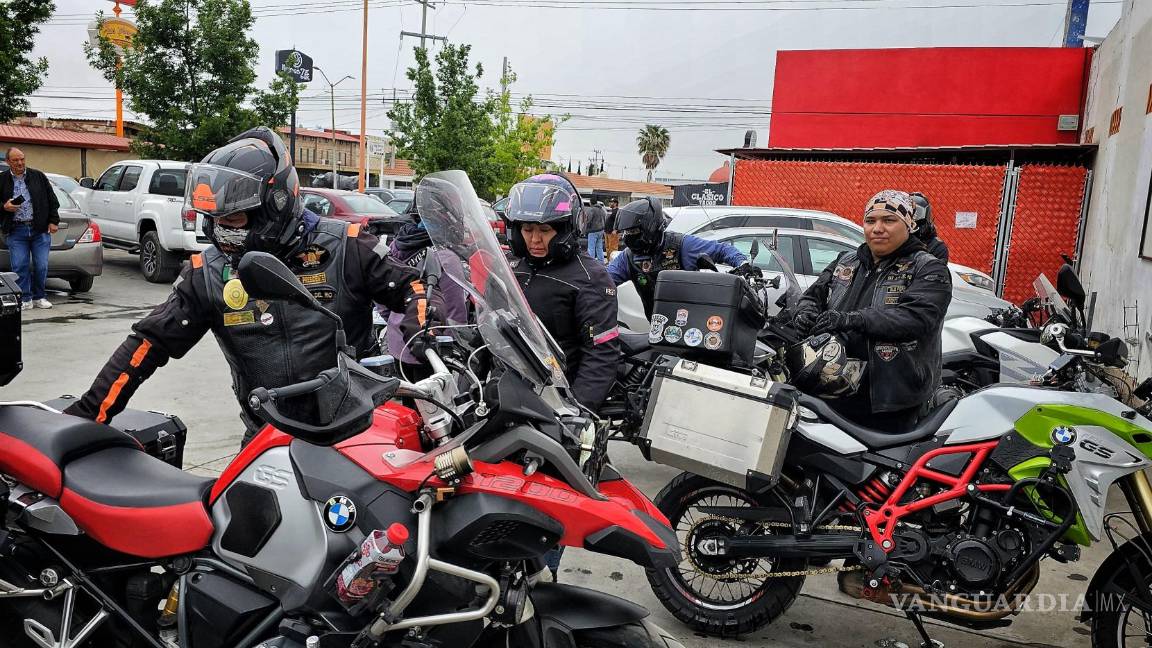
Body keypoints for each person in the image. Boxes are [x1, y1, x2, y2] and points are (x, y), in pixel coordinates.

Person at [63, 127, 434, 445]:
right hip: (268, 436)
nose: (224, 229)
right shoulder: (207, 272)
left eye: (236, 217)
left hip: (359, 430)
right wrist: (87, 415)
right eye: (216, 218)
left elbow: (409, 286)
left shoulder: (346, 244)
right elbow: (149, 343)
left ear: (275, 203)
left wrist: (420, 330)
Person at [791, 189, 952, 432]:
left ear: (909, 225)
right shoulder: (846, 261)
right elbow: (812, 296)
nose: (878, 228)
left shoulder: (928, 268)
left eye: (889, 220)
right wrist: (804, 314)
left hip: (889, 399)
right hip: (832, 385)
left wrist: (852, 319)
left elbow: (915, 319)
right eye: (870, 220)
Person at [506, 174, 619, 413]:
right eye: (527, 229)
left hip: (557, 401)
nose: (534, 239)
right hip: (508, 390)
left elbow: (601, 355)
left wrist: (577, 412)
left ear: (567, 227)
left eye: (545, 230)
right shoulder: (512, 266)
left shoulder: (591, 277)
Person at [607, 196, 757, 319]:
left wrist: (742, 263)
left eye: (633, 231)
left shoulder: (681, 245)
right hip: (657, 327)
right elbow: (605, 279)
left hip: (693, 324)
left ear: (650, 227)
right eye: (626, 232)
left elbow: (721, 250)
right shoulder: (628, 257)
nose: (628, 236)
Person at [382, 217, 469, 381]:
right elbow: (455, 312)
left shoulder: (397, 244)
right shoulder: (446, 258)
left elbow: (382, 295)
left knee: (410, 402)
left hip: (398, 342)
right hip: (432, 348)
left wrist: (396, 321)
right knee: (434, 404)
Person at [0, 148, 60, 310]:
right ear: (8, 162)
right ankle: (25, 297)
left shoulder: (38, 176)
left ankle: (40, 296)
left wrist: (53, 221)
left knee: (41, 265)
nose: (20, 163)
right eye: (15, 160)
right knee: (20, 265)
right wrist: (4, 207)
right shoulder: (2, 179)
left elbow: (52, 199)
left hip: (39, 229)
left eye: (22, 159)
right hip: (16, 230)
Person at [909, 192, 949, 263]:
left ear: (926, 214)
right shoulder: (895, 238)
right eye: (909, 211)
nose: (913, 216)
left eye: (917, 213)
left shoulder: (936, 246)